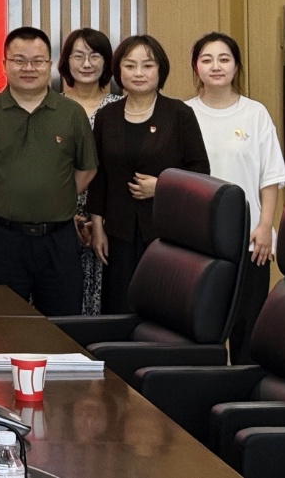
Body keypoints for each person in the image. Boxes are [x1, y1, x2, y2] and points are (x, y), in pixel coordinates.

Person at [0, 26, 96, 317]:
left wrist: (59, 196)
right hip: (3, 238)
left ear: (49, 64)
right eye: (19, 60)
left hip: (59, 238)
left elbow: (87, 168)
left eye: (37, 61)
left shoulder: (71, 113)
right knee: (4, 323)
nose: (28, 68)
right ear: (4, 64)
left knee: (62, 326)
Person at [86, 35, 210, 314]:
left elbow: (201, 171)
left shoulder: (179, 114)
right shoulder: (107, 116)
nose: (138, 73)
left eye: (147, 65)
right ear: (119, 70)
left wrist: (163, 186)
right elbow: (99, 175)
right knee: (119, 306)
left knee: (161, 305)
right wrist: (97, 226)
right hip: (118, 231)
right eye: (130, 66)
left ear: (160, 70)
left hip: (165, 231)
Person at [186, 32, 285, 364]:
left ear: (236, 66)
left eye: (224, 59)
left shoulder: (254, 113)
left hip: (250, 239)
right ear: (196, 68)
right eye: (207, 60)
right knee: (202, 327)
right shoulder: (183, 114)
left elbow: (271, 178)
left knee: (248, 327)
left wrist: (265, 226)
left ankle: (245, 392)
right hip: (198, 240)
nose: (216, 66)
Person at [57, 27, 122, 315]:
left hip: (109, 220)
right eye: (78, 56)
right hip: (57, 218)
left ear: (107, 62)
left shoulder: (121, 108)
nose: (86, 64)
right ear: (66, 61)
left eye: (95, 56)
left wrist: (100, 219)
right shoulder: (52, 107)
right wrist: (65, 214)